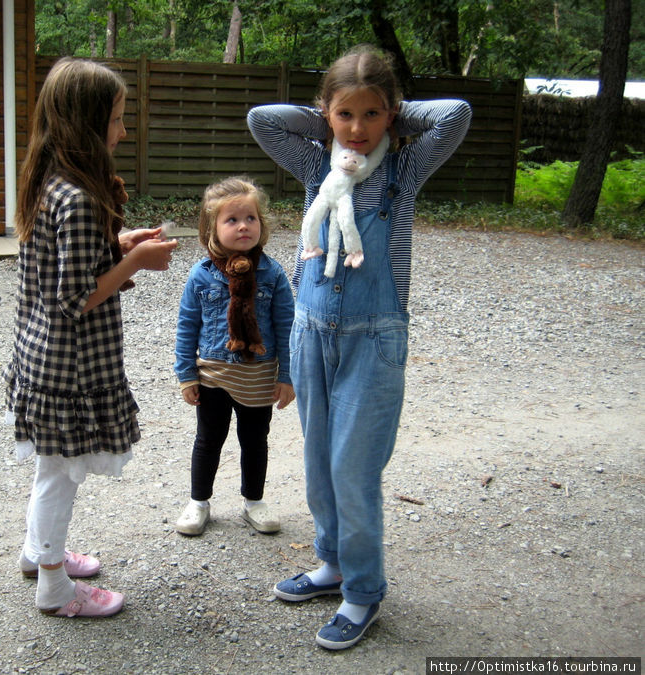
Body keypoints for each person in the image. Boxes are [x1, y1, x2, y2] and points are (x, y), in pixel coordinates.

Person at [247, 44, 472, 650]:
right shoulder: (314, 165)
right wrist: (327, 114)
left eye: (372, 115)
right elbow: (262, 119)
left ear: (392, 115)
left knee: (353, 469)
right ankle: (334, 565)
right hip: (311, 333)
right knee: (320, 464)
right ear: (326, 115)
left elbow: (456, 113)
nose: (358, 128)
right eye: (345, 115)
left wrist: (395, 110)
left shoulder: (406, 168)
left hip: (375, 340)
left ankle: (364, 591)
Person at [3, 57, 178, 618]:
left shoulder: (51, 181)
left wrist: (123, 242)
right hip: (70, 365)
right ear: (86, 122)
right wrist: (137, 263)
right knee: (62, 474)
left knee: (50, 467)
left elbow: (67, 263)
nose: (123, 131)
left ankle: (38, 553)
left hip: (41, 355)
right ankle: (53, 587)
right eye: (117, 119)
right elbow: (77, 297)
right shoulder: (78, 198)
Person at [173, 177, 295, 537]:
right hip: (213, 373)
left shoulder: (271, 274)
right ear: (212, 228)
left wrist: (287, 376)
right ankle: (199, 502)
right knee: (208, 439)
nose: (243, 226)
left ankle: (254, 500)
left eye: (251, 218)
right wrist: (186, 375)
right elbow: (186, 326)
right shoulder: (201, 275)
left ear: (262, 223)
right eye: (232, 220)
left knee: (255, 439)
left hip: (258, 375)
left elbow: (288, 325)